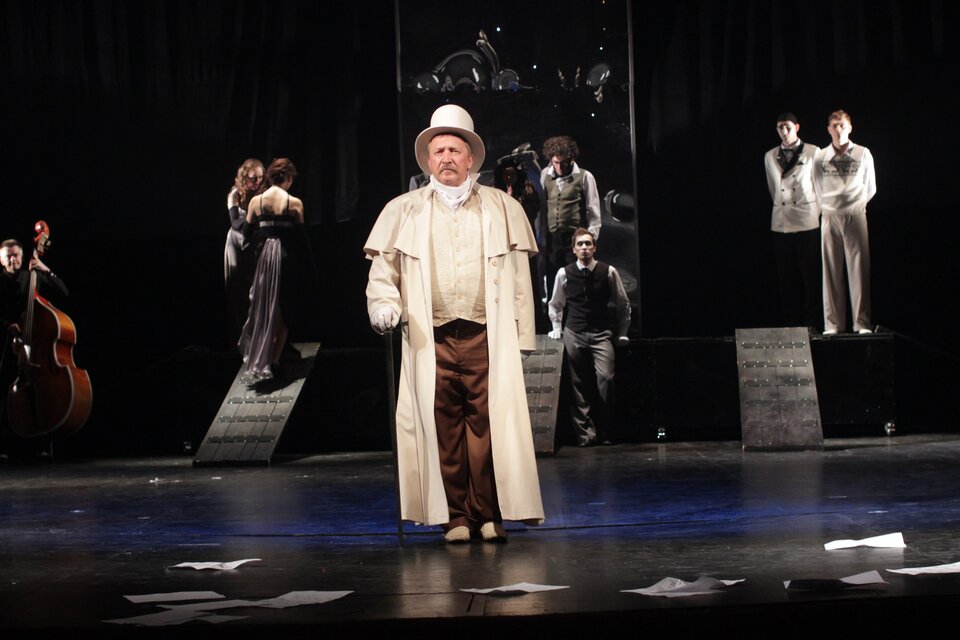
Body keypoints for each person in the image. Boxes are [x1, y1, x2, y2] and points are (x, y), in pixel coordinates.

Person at [364, 104, 544, 543]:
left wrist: (523, 335)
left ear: (471, 159)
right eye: (438, 150)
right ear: (428, 159)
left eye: (454, 150)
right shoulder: (404, 210)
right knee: (441, 424)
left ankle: (487, 513)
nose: (446, 158)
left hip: (486, 333)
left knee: (489, 425)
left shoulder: (502, 207)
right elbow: (383, 272)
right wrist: (383, 305)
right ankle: (455, 516)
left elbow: (521, 278)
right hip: (432, 336)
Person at [547, 228, 630, 447]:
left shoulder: (608, 271)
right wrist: (556, 327)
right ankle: (586, 435)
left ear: (594, 248)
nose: (584, 248)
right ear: (574, 250)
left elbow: (622, 303)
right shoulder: (564, 273)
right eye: (580, 244)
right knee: (578, 384)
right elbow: (556, 303)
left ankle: (606, 431)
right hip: (574, 332)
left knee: (606, 379)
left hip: (601, 333)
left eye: (588, 244)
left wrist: (623, 332)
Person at [237, 158, 306, 382]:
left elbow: (246, 233)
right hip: (285, 258)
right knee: (284, 308)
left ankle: (264, 357)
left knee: (265, 306)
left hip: (264, 258)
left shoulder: (256, 201)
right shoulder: (294, 203)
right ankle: (274, 359)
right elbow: (301, 239)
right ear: (288, 178)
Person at [1, 239, 69, 459]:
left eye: (16, 255)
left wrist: (45, 269)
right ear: (1, 259)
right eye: (8, 256)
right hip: (9, 344)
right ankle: (5, 446)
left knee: (42, 390)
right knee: (5, 392)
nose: (13, 259)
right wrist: (7, 325)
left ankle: (43, 444)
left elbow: (63, 292)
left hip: (36, 344)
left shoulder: (32, 276)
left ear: (22, 257)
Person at [815, 110, 877, 335]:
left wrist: (854, 206)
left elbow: (871, 187)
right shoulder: (821, 156)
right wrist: (829, 208)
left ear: (850, 128)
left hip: (855, 214)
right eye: (834, 126)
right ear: (828, 129)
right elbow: (817, 186)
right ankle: (832, 324)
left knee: (859, 270)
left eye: (842, 125)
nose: (838, 129)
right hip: (830, 215)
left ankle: (862, 323)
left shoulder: (862, 153)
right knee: (830, 271)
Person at [764, 113, 821, 329]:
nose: (784, 132)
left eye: (787, 127)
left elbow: (819, 186)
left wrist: (814, 211)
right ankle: (790, 325)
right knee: (786, 278)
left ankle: (811, 324)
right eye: (780, 128)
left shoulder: (813, 151)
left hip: (806, 220)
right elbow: (773, 188)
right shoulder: (770, 155)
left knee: (810, 276)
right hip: (781, 222)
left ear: (797, 127)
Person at [540, 136, 601, 302]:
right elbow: (544, 210)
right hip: (553, 240)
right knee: (553, 282)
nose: (559, 167)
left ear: (571, 159)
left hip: (575, 238)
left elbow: (594, 212)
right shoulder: (545, 175)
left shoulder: (585, 176)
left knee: (575, 281)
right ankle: (553, 317)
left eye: (563, 163)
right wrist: (543, 240)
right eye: (555, 162)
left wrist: (589, 241)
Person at [225, 158, 265, 339]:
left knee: (256, 288)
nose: (256, 182)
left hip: (253, 243)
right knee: (237, 286)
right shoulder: (235, 194)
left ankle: (256, 334)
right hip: (236, 242)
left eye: (260, 178)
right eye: (252, 178)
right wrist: (254, 220)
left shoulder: (262, 194)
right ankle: (239, 335)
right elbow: (235, 222)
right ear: (244, 176)